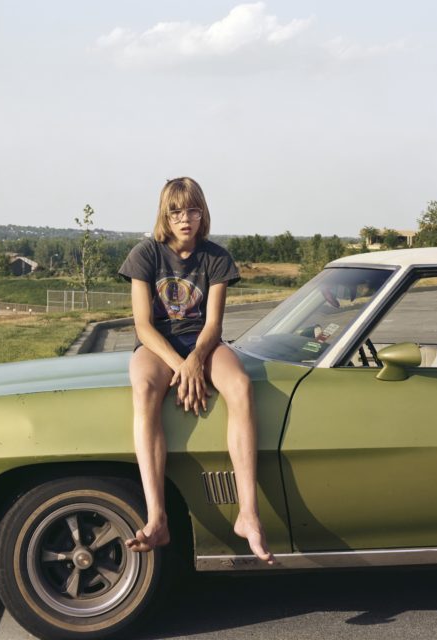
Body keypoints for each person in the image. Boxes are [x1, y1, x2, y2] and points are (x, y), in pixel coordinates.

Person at [118, 177, 274, 564]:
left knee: (239, 384)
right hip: (158, 346)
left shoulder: (216, 258)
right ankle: (157, 518)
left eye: (192, 210)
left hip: (203, 344)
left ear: (202, 213)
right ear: (164, 216)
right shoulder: (145, 254)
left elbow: (213, 326)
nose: (184, 218)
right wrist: (179, 366)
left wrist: (195, 361)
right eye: (175, 212)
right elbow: (142, 326)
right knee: (144, 389)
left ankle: (248, 514)